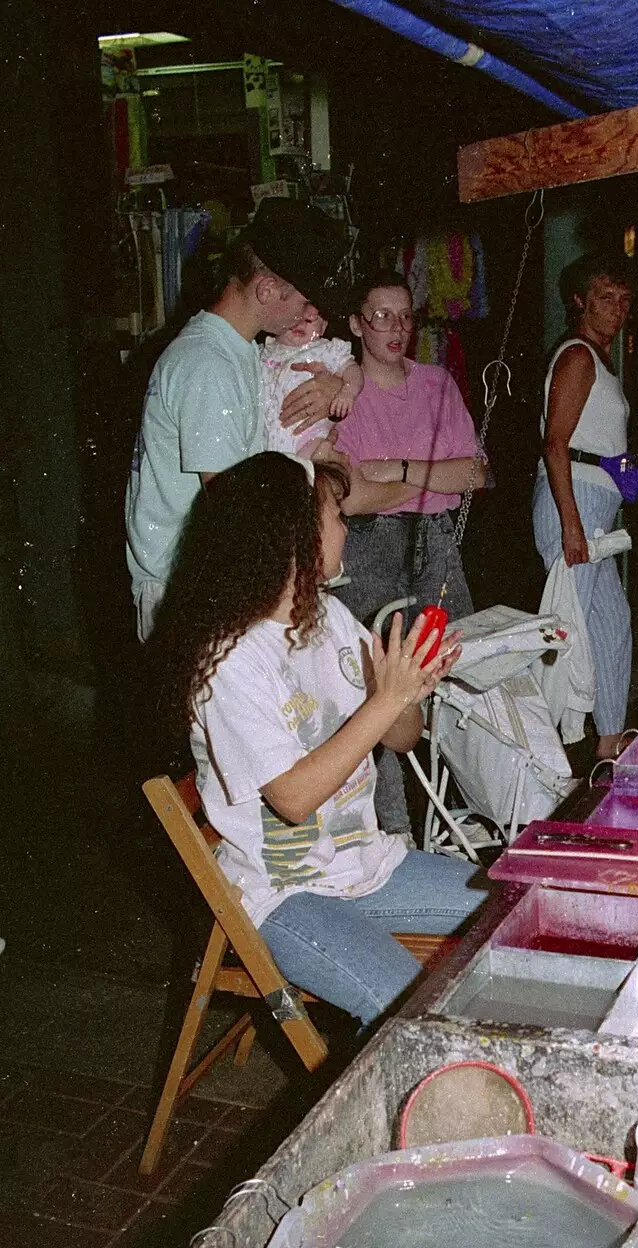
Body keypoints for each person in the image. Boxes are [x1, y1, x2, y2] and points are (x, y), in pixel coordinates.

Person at [157, 451, 486, 1024]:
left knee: (515, 907)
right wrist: (383, 700)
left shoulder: (329, 617)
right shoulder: (233, 659)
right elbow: (292, 798)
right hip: (284, 895)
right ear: (295, 541)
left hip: (365, 865)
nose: (346, 527)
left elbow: (405, 738)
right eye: (336, 515)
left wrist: (407, 690)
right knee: (415, 1014)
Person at [125, 197, 361, 641]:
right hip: (187, 591)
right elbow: (234, 502)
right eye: (302, 300)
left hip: (210, 579)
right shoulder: (207, 365)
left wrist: (336, 387)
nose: (305, 315)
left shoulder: (242, 351)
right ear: (268, 290)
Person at [331, 269, 488, 833]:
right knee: (380, 690)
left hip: (435, 543)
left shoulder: (437, 384)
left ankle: (468, 813)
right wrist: (431, 479)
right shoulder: (341, 393)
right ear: (355, 324)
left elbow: (475, 472)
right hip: (368, 547)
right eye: (380, 316)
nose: (395, 329)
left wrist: (395, 471)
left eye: (404, 316)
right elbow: (349, 499)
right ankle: (390, 832)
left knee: (458, 675)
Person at [533, 251, 634, 762]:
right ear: (579, 303)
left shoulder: (601, 359)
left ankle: (609, 750)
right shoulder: (577, 356)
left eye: (622, 299)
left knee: (611, 630)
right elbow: (557, 444)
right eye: (604, 299)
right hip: (572, 503)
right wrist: (573, 526)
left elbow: (593, 444)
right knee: (564, 637)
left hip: (595, 501)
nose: (617, 308)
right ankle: (540, 753)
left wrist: (624, 474)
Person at [262, 306, 360, 458]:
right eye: (294, 317)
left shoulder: (325, 350)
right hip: (267, 438)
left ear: (323, 327)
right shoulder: (265, 352)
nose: (300, 324)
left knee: (307, 466)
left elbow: (353, 370)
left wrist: (348, 391)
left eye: (309, 320)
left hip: (307, 435)